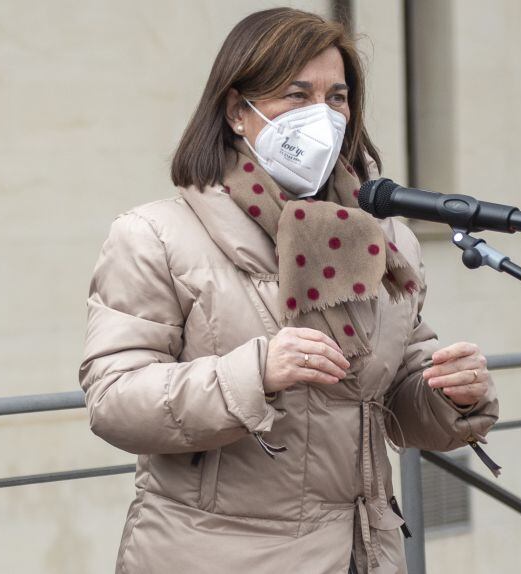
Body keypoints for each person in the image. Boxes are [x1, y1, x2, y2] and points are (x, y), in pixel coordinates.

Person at [79, 8, 499, 573]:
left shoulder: (382, 236)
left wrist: (451, 394)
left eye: (338, 97)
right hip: (219, 557)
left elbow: (389, 391)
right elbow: (113, 400)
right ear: (236, 112)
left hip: (362, 554)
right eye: (296, 96)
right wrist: (256, 373)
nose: (322, 116)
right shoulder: (155, 235)